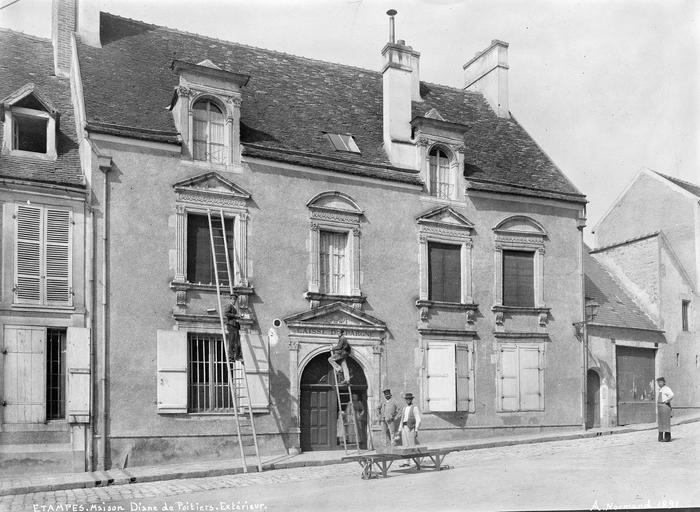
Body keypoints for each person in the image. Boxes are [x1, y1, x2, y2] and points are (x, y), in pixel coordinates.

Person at [656, 377, 674, 442]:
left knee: (666, 422)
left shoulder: (666, 388)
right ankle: (660, 437)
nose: (659, 383)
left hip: (665, 407)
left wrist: (667, 400)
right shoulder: (660, 389)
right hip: (660, 408)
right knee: (661, 422)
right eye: (658, 382)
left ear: (664, 382)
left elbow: (671, 395)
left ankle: (667, 438)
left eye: (660, 382)